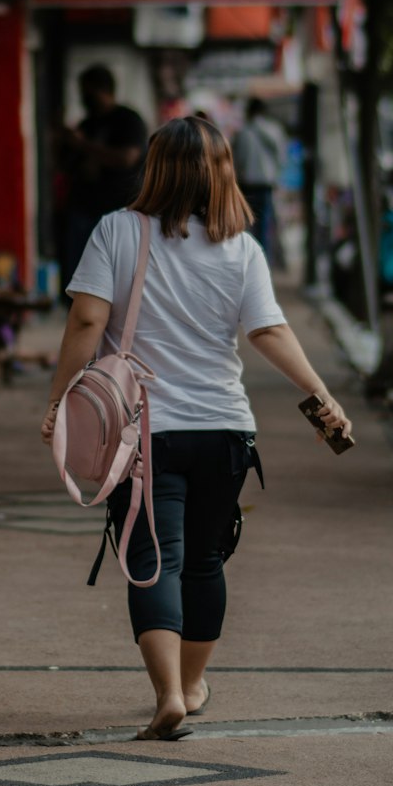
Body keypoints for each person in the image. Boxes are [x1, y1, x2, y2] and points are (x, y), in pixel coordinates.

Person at [41, 116, 352, 740]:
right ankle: (190, 684)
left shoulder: (116, 231)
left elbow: (84, 323)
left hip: (143, 431)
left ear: (154, 168)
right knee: (206, 562)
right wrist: (321, 394)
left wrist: (58, 401)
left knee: (155, 558)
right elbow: (268, 332)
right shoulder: (240, 246)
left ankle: (167, 695)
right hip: (224, 429)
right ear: (223, 174)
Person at [58, 65, 148, 291]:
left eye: (87, 91)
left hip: (120, 208)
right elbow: (68, 165)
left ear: (103, 90)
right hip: (84, 208)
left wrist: (84, 146)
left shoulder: (128, 120)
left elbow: (127, 158)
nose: (83, 98)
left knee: (119, 276)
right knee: (82, 277)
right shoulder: (85, 124)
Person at [232, 97, 287, 256]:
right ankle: (262, 260)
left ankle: (248, 258)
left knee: (246, 226)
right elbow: (281, 157)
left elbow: (238, 160)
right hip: (266, 184)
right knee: (264, 226)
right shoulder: (274, 130)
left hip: (247, 184)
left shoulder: (243, 132)